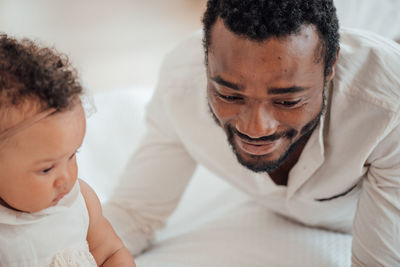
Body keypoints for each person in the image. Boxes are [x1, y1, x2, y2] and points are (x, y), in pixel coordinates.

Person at [104, 0, 400, 265]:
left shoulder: (386, 107)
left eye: (288, 101)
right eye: (230, 96)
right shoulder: (180, 86)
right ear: (206, 60)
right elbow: (134, 215)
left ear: (331, 66)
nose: (255, 128)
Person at [0, 34, 135, 266]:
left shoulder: (80, 201)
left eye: (72, 156)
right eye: (46, 169)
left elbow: (110, 251)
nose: (66, 178)